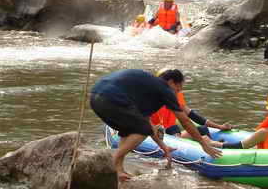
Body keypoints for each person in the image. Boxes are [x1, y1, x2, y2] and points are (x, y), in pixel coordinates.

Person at [90, 69, 221, 181]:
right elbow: (185, 121)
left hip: (95, 97)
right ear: (171, 82)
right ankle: (113, 161)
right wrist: (203, 144)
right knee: (141, 129)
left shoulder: (150, 88)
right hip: (110, 98)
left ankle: (119, 170)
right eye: (177, 89)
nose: (176, 93)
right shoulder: (164, 89)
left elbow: (148, 123)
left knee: (130, 130)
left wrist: (163, 147)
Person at [149, 68, 231, 138]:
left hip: (172, 132)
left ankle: (217, 146)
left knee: (202, 129)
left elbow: (193, 116)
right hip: (157, 132)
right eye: (178, 87)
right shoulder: (151, 97)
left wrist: (219, 126)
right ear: (169, 83)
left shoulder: (177, 95)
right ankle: (220, 146)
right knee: (173, 128)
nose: (179, 90)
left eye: (180, 87)